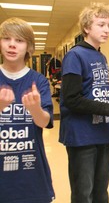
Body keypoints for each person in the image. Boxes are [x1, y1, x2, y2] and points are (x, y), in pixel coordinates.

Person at [59, 2, 109, 203]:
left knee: (101, 192)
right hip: (81, 136)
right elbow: (72, 99)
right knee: (83, 193)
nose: (107, 30)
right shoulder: (74, 55)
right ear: (87, 27)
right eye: (101, 24)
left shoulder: (101, 57)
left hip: (102, 133)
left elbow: (102, 93)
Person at [0, 17, 55, 202]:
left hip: (32, 175)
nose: (12, 45)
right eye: (6, 39)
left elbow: (44, 122)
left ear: (29, 47)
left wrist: (35, 109)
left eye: (19, 40)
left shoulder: (38, 81)